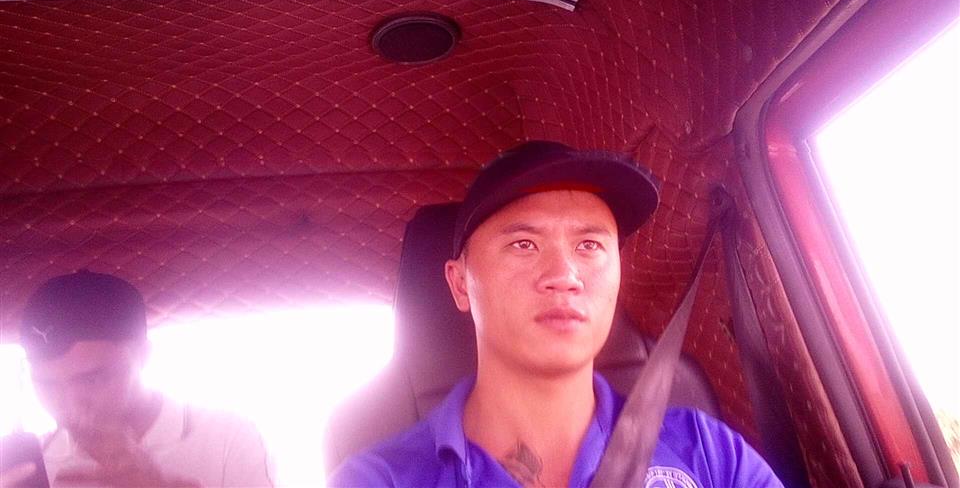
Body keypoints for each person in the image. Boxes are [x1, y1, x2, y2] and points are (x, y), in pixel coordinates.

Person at [330, 140, 783, 487]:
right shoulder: (380, 480)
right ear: (460, 283)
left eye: (589, 245)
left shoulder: (710, 453)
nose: (564, 275)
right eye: (524, 244)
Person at [7, 270, 274, 488]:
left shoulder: (225, 437)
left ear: (144, 356)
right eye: (47, 384)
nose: (71, 404)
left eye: (93, 380)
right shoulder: (36, 461)